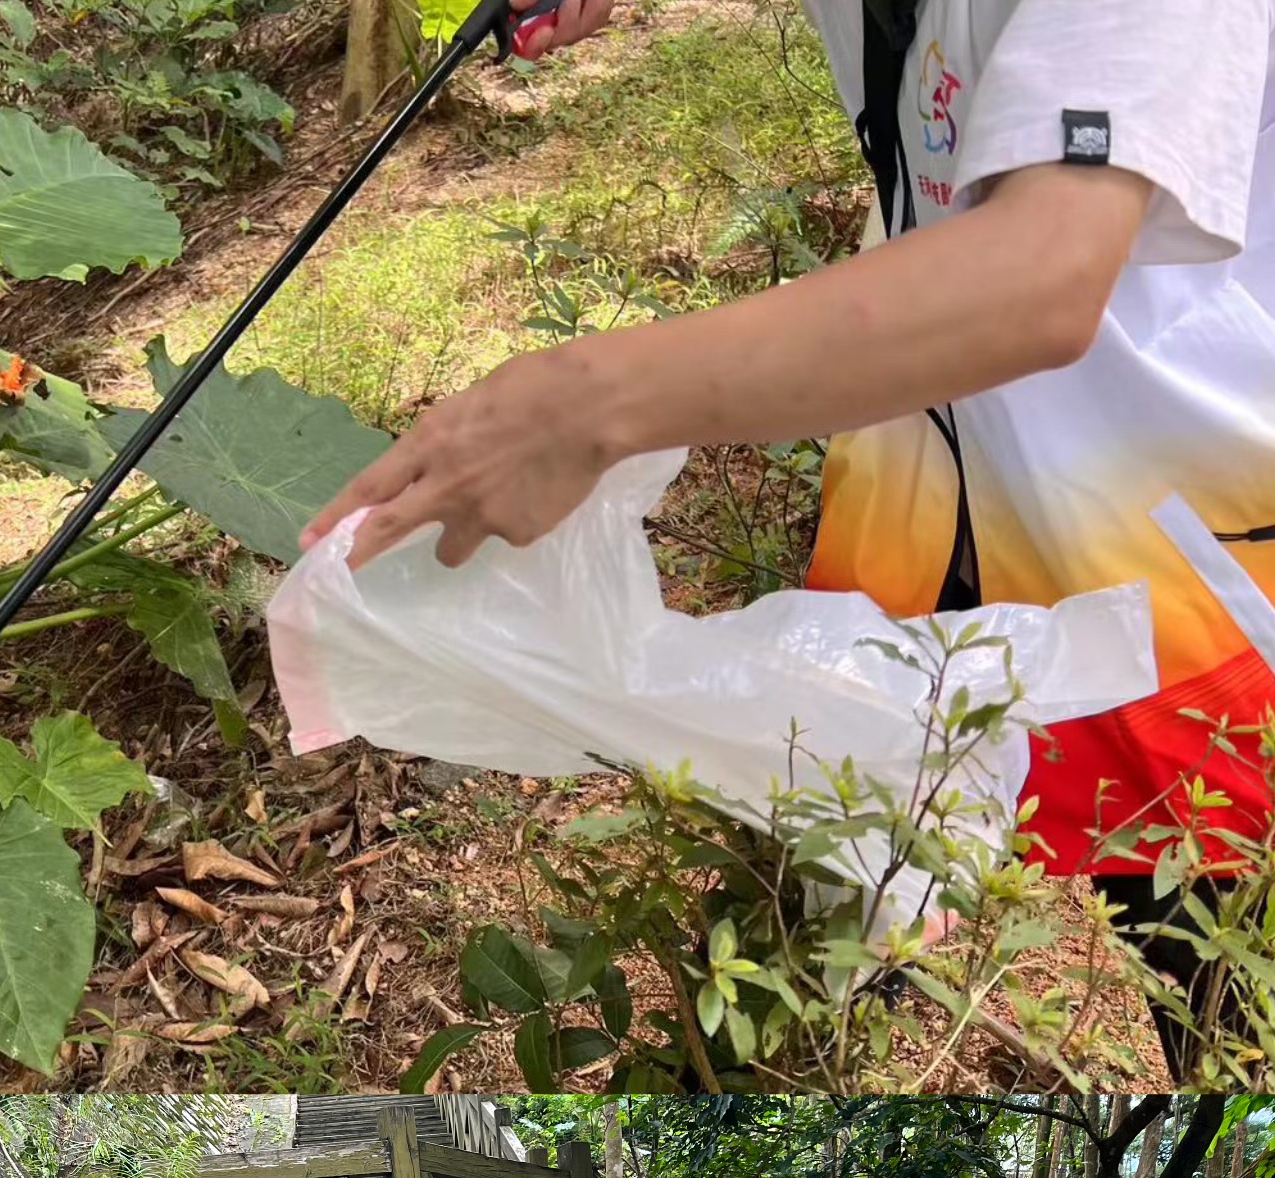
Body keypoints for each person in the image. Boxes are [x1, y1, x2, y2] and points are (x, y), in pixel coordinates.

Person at [302, 0, 1275, 1063]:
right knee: (865, 864)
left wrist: (582, 404)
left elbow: (1044, 272)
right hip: (945, 476)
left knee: (1216, 938)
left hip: (1204, 549)